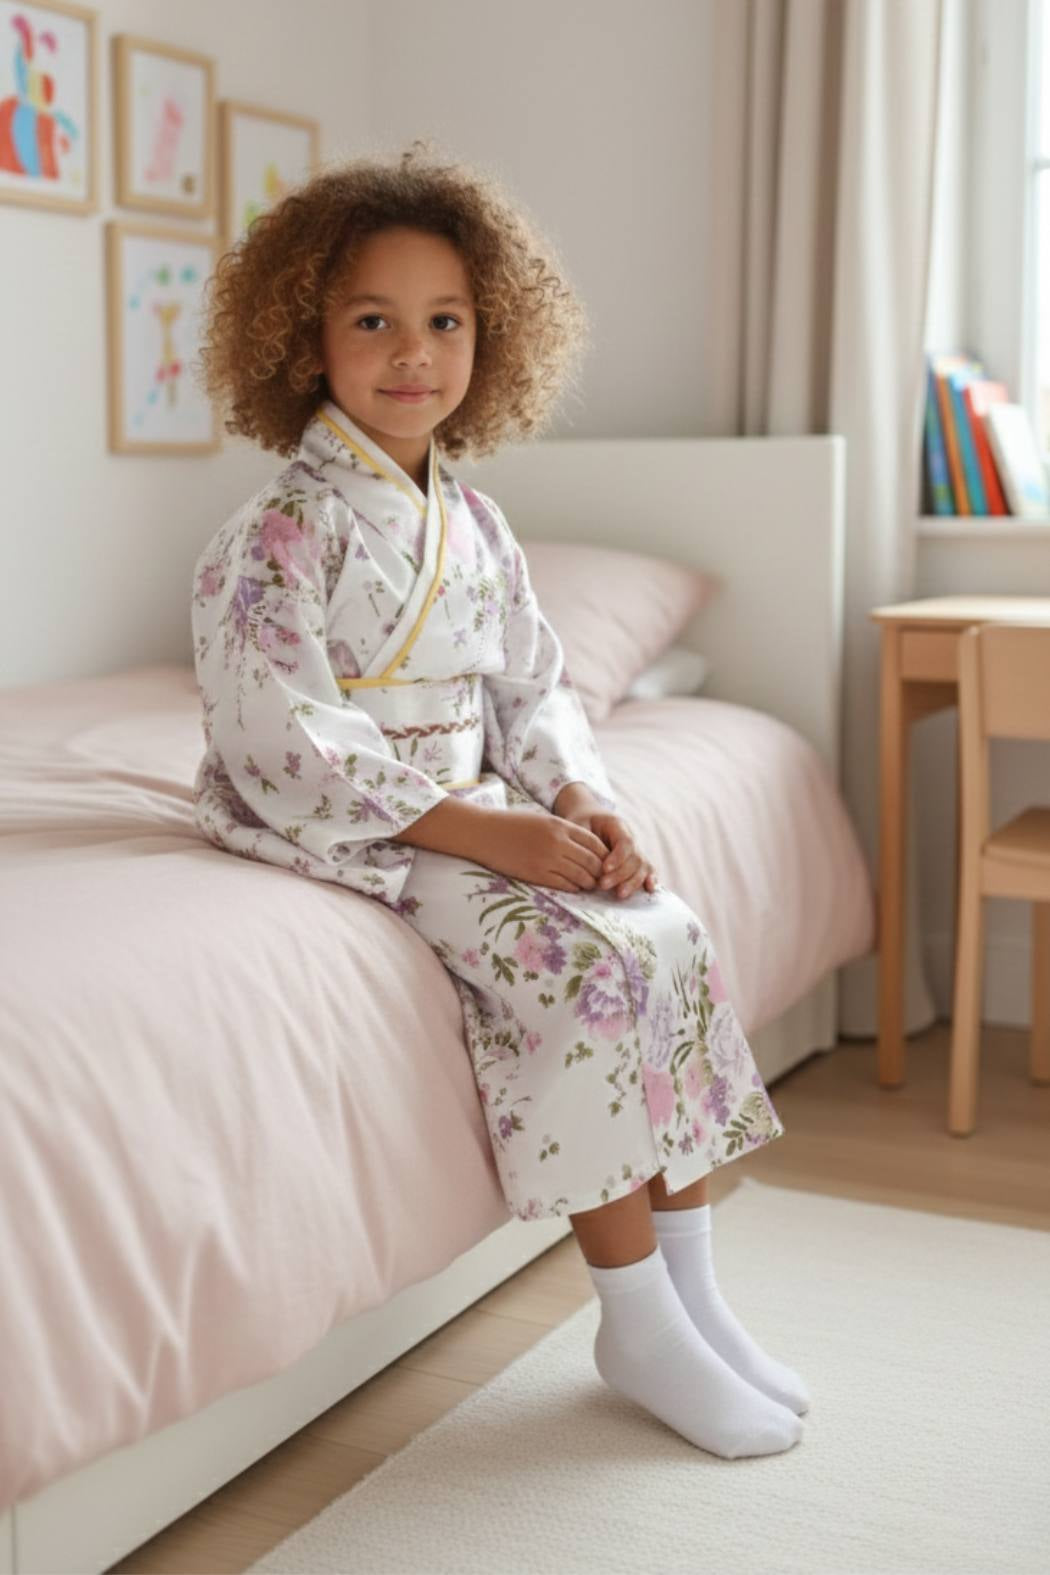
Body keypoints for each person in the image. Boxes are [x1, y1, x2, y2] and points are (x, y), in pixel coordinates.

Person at [190, 140, 808, 1460]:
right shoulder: (281, 529)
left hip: (479, 797)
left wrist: (585, 797)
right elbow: (280, 734)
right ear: (304, 337)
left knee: (668, 936)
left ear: (490, 336)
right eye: (372, 320)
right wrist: (482, 828)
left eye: (444, 321)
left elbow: (533, 688)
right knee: (587, 973)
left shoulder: (474, 521)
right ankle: (631, 1316)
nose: (411, 353)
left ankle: (692, 1295)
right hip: (361, 821)